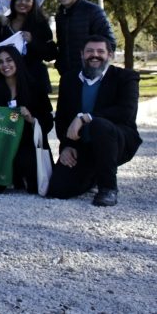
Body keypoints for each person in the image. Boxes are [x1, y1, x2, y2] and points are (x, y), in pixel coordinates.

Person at [48, 36, 141, 207]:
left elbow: (126, 112)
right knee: (57, 190)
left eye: (100, 51)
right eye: (90, 51)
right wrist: (67, 146)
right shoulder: (69, 79)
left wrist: (85, 117)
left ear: (110, 55)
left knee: (99, 124)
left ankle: (108, 188)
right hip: (82, 146)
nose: (94, 55)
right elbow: (62, 118)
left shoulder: (126, 77)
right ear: (82, 54)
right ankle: (94, 175)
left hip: (116, 141)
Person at [0, 45, 54, 193]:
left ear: (17, 61)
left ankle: (19, 177)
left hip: (28, 144)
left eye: (9, 60)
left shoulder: (36, 87)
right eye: (0, 62)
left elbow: (48, 122)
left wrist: (31, 119)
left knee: (36, 187)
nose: (5, 65)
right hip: (1, 145)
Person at [53, 0, 115, 84]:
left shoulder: (93, 11)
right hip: (68, 77)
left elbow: (110, 44)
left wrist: (92, 66)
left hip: (91, 79)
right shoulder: (60, 15)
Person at [6, 0, 56, 95]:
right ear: (13, 1)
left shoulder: (41, 24)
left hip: (35, 80)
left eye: (27, 0)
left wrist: (33, 41)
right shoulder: (5, 24)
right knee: (12, 112)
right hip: (9, 79)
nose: (22, 2)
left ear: (33, 3)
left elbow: (51, 54)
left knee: (35, 112)